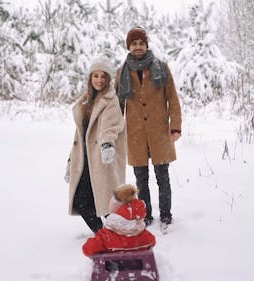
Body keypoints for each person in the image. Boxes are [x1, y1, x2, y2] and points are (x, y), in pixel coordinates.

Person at [115, 26, 182, 228]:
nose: (138, 47)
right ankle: (146, 215)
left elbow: (173, 99)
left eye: (141, 43)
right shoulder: (122, 72)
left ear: (146, 45)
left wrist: (175, 126)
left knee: (163, 176)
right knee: (141, 179)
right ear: (129, 46)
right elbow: (117, 104)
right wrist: (115, 131)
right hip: (135, 133)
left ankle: (166, 215)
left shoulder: (161, 67)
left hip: (159, 131)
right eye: (134, 43)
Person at [65, 57, 126, 233]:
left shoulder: (110, 100)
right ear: (90, 79)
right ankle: (102, 233)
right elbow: (79, 135)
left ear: (108, 79)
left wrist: (107, 144)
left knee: (107, 202)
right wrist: (71, 160)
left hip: (101, 158)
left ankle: (123, 234)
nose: (99, 80)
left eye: (103, 76)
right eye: (95, 76)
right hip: (84, 160)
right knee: (82, 200)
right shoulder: (85, 102)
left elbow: (111, 125)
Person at [82, 184, 156, 257]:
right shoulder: (143, 233)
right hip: (138, 267)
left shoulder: (107, 235)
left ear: (115, 205)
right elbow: (152, 242)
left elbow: (87, 249)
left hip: (114, 267)